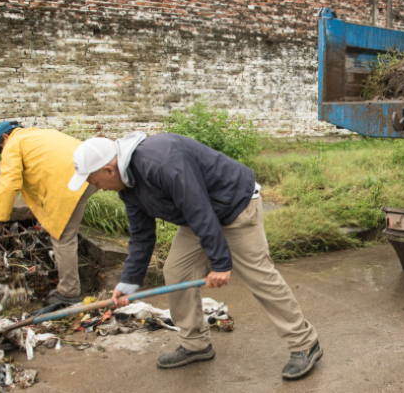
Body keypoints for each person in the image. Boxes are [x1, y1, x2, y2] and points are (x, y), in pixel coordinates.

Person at [67, 132, 322, 380]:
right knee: (177, 271)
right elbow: (142, 236)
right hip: (198, 217)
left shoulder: (162, 160)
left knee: (258, 275)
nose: (97, 188)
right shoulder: (128, 186)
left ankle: (304, 343)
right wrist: (128, 283)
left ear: (108, 170)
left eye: (94, 182)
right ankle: (195, 343)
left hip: (234, 205)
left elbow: (197, 204)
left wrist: (221, 262)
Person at [0, 121, 97, 306]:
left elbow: (8, 181)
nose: (3, 151)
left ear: (5, 137)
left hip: (69, 182)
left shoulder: (13, 143)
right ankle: (69, 287)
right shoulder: (39, 134)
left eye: (0, 147)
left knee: (63, 237)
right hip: (92, 174)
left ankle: (68, 294)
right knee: (67, 231)